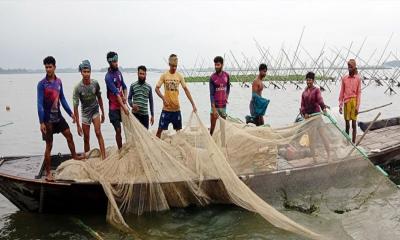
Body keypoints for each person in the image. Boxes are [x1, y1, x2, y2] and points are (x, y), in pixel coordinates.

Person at [37, 56, 84, 181]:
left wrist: (70, 113)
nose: (48, 69)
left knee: (69, 135)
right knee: (49, 145)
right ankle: (48, 173)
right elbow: (39, 104)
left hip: (58, 117)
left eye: (50, 67)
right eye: (46, 67)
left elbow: (62, 99)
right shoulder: (41, 84)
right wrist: (41, 122)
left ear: (54, 67)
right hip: (47, 120)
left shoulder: (59, 82)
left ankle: (74, 156)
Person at [155, 54, 197, 138]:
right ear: (169, 64)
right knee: (159, 130)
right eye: (173, 66)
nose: (174, 68)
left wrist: (193, 104)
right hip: (166, 109)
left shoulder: (179, 76)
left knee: (178, 132)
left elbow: (186, 90)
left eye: (176, 66)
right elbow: (156, 89)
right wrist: (163, 98)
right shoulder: (164, 75)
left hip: (176, 109)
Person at [73, 60, 106, 159]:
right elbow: (75, 106)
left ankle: (104, 156)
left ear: (90, 72)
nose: (86, 74)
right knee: (86, 138)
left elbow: (99, 98)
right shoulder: (78, 88)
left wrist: (103, 112)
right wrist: (78, 125)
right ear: (81, 72)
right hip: (85, 113)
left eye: (88, 72)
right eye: (84, 72)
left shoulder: (95, 83)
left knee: (98, 132)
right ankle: (87, 159)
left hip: (95, 110)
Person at [300, 72, 330, 161]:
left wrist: (323, 108)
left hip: (317, 116)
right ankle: (314, 159)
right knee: (311, 139)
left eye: (310, 80)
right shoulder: (304, 93)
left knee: (323, 136)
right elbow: (302, 106)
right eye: (307, 80)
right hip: (309, 119)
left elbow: (320, 100)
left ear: (313, 81)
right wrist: (304, 113)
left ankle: (329, 156)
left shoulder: (316, 90)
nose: (308, 82)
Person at [104, 51, 129, 149]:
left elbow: (125, 87)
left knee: (128, 128)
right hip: (114, 108)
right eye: (114, 61)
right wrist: (124, 107)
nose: (116, 63)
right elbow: (117, 94)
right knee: (118, 130)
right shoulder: (108, 77)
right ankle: (120, 149)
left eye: (117, 61)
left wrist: (125, 98)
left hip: (122, 106)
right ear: (110, 62)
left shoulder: (119, 73)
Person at [339, 59, 362, 143]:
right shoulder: (344, 78)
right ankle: (347, 142)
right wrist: (340, 105)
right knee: (347, 125)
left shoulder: (358, 79)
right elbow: (342, 92)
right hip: (346, 102)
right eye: (348, 67)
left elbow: (359, 93)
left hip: (354, 102)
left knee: (353, 124)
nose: (349, 68)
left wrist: (357, 107)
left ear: (354, 67)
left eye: (351, 67)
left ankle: (353, 143)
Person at [209, 56, 230, 135]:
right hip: (215, 106)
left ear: (222, 65)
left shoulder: (226, 76)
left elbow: (228, 87)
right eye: (215, 65)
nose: (216, 67)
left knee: (223, 129)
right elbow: (211, 94)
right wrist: (213, 109)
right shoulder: (212, 77)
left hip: (223, 106)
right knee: (212, 128)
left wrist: (226, 96)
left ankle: (223, 146)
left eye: (218, 65)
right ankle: (210, 143)